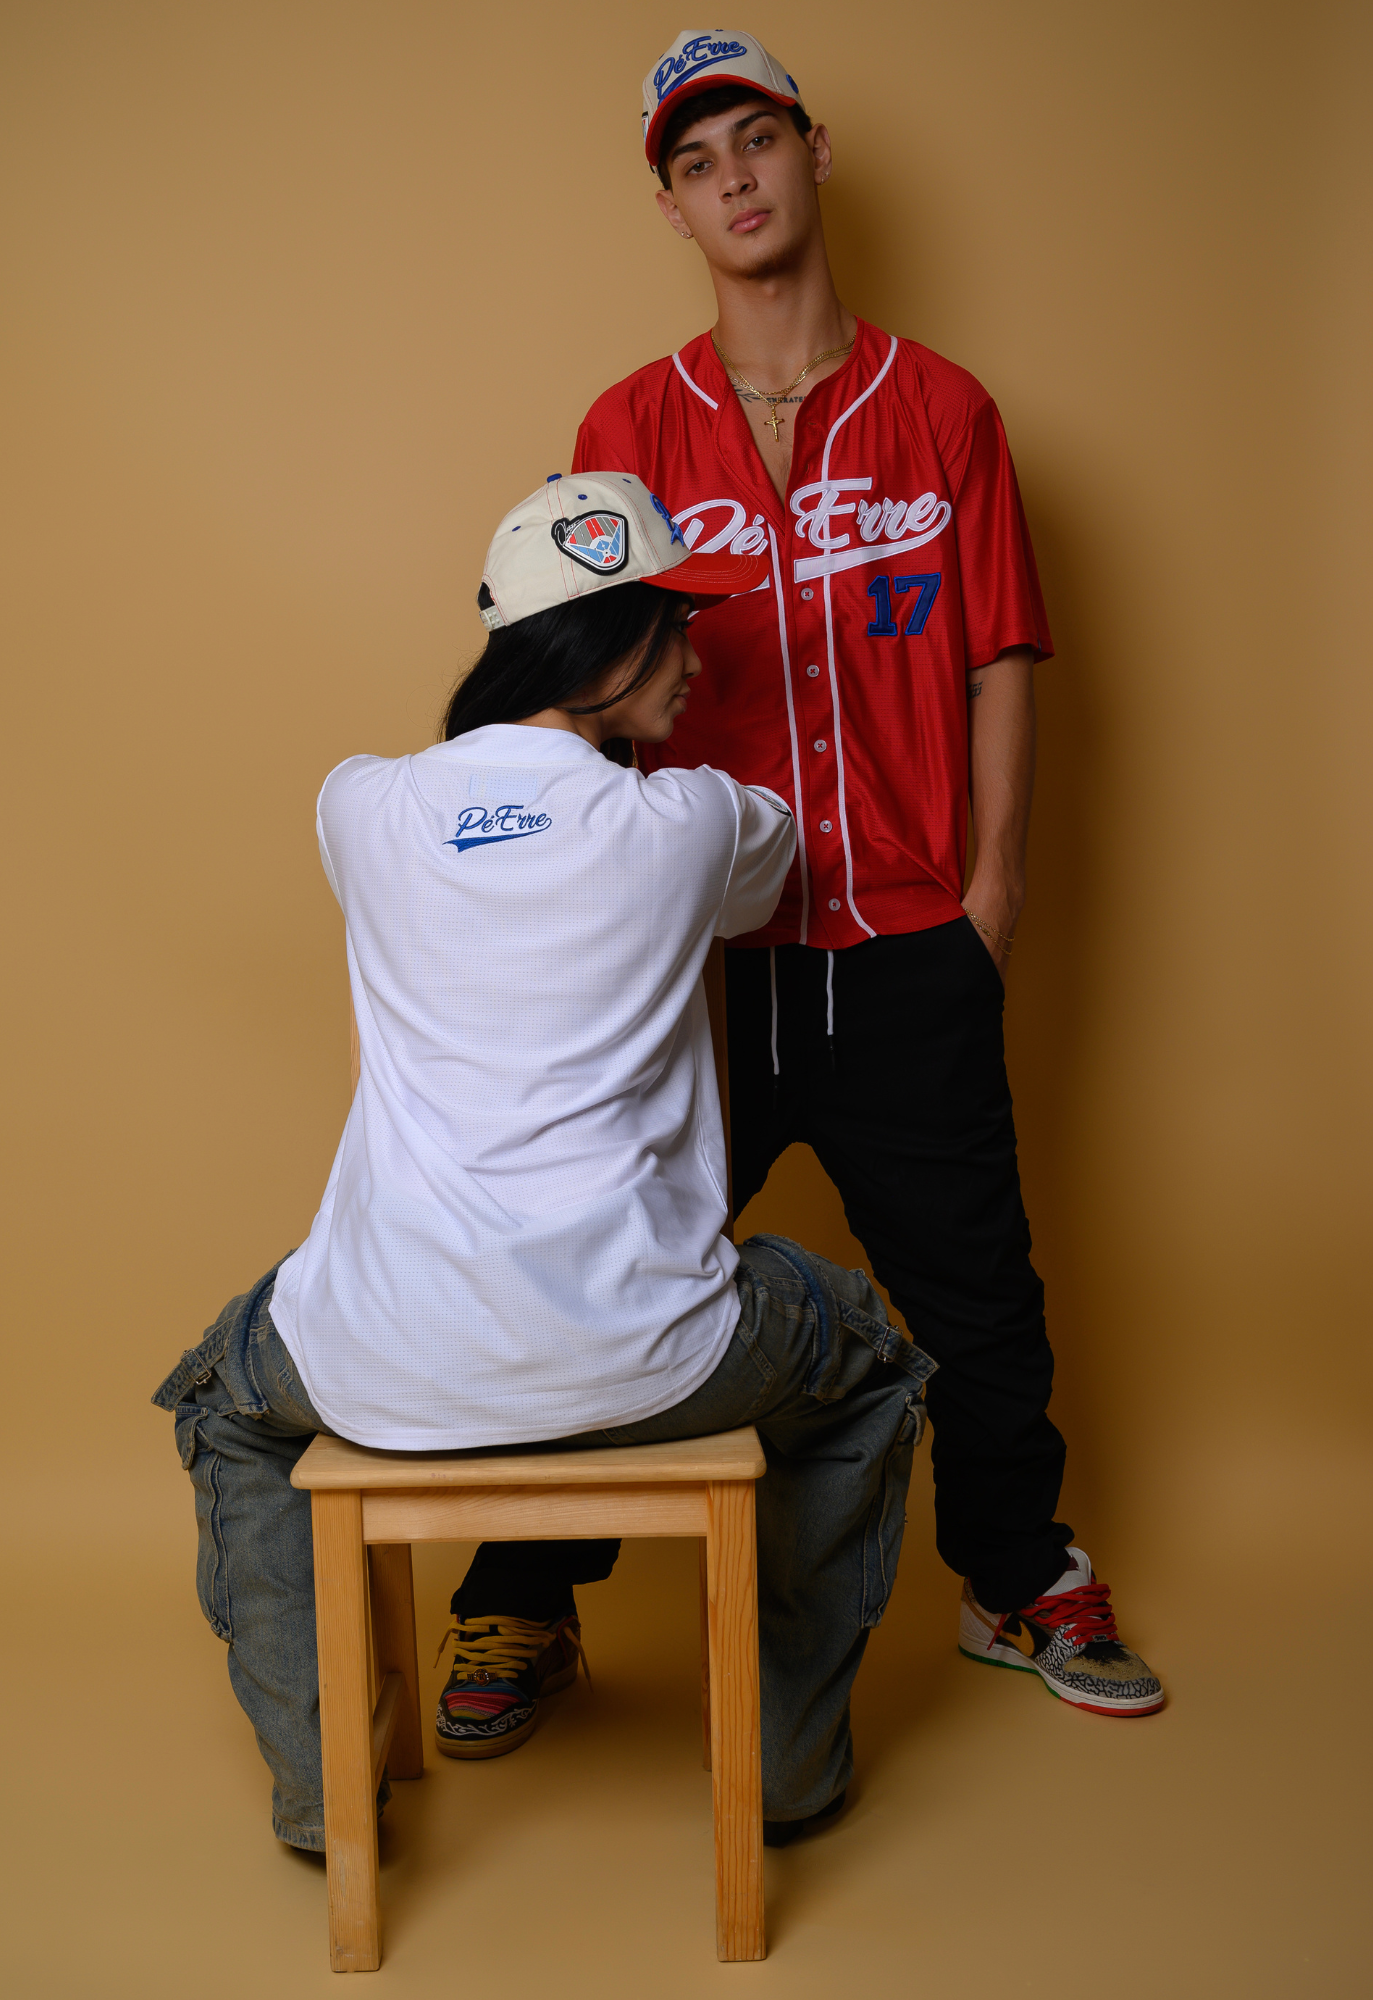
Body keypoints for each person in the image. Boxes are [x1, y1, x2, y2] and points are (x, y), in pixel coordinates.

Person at [476, 29, 1164, 1721]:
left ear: (813, 151)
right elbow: (582, 690)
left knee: (977, 1299)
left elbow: (1001, 658)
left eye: (756, 141)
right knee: (595, 1271)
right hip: (692, 963)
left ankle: (1018, 1580)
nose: (734, 179)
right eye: (695, 161)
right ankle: (524, 1600)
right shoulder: (630, 425)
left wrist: (990, 898)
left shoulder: (944, 412)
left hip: (905, 942)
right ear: (670, 206)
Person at [152, 469, 936, 1853]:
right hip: (653, 1356)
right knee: (869, 1354)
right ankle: (789, 1774)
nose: (696, 661)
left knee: (224, 1398)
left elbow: (459, 836)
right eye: (675, 629)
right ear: (609, 642)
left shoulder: (359, 805)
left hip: (381, 1351)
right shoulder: (690, 820)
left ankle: (323, 1799)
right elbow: (765, 884)